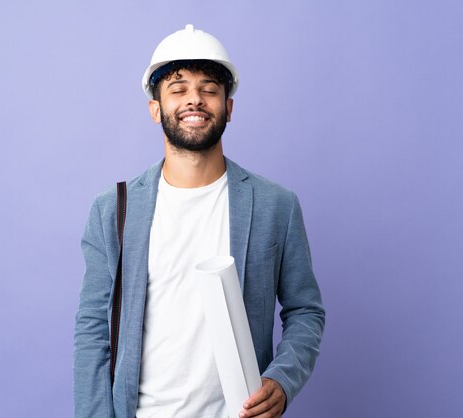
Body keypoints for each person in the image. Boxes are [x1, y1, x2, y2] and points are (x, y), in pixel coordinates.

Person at [74, 24, 325, 418]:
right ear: (156, 108)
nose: (195, 100)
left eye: (209, 89)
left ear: (228, 106)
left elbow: (305, 311)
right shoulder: (113, 209)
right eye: (178, 88)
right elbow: (92, 331)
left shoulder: (276, 205)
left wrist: (283, 379)